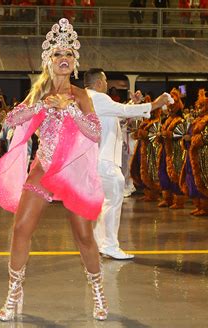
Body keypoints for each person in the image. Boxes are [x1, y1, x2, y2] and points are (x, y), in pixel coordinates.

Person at [0, 18, 108, 321]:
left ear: (74, 61)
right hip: (43, 167)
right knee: (21, 229)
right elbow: (10, 121)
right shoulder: (39, 92)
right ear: (48, 60)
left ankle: (98, 293)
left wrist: (70, 110)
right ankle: (14, 293)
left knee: (83, 236)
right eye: (57, 53)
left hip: (73, 171)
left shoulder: (81, 96)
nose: (63, 58)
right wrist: (43, 107)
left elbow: (95, 132)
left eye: (68, 53)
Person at [84, 68, 171, 260]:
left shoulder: (92, 99)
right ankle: (110, 246)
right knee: (113, 203)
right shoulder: (98, 98)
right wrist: (155, 104)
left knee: (103, 205)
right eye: (105, 80)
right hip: (105, 161)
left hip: (98, 160)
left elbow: (117, 114)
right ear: (98, 82)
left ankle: (101, 243)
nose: (107, 84)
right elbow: (122, 111)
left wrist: (135, 103)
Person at [179, 87, 208, 216]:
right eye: (198, 106)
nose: (198, 109)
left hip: (205, 157)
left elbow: (205, 138)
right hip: (192, 155)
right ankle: (198, 206)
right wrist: (185, 140)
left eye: (201, 106)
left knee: (204, 182)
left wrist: (191, 138)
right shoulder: (195, 121)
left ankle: (206, 208)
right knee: (192, 181)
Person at [156, 88, 186, 209]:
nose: (170, 109)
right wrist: (160, 135)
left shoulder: (180, 121)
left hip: (176, 151)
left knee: (175, 174)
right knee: (163, 173)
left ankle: (178, 201)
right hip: (165, 150)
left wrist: (166, 134)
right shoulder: (167, 120)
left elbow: (180, 135)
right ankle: (166, 199)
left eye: (172, 106)